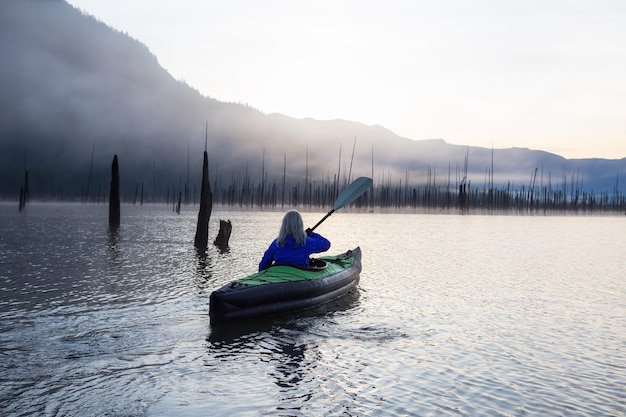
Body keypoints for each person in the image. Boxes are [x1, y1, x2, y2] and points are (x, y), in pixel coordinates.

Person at [259, 210, 331, 271]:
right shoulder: (306, 242)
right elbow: (326, 244)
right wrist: (311, 234)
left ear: (284, 225)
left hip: (280, 272)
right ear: (300, 225)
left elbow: (264, 263)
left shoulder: (277, 243)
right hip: (300, 273)